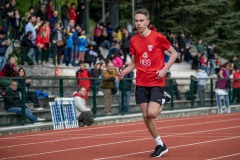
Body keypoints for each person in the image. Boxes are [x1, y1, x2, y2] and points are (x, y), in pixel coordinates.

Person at [118, 9, 178, 158]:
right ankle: (160, 144)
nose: (138, 23)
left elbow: (175, 53)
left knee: (152, 113)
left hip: (156, 80)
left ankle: (164, 98)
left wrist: (164, 69)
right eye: (136, 21)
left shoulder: (158, 37)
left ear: (147, 22)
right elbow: (134, 63)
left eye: (141, 20)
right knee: (146, 116)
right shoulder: (133, 40)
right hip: (140, 82)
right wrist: (124, 72)